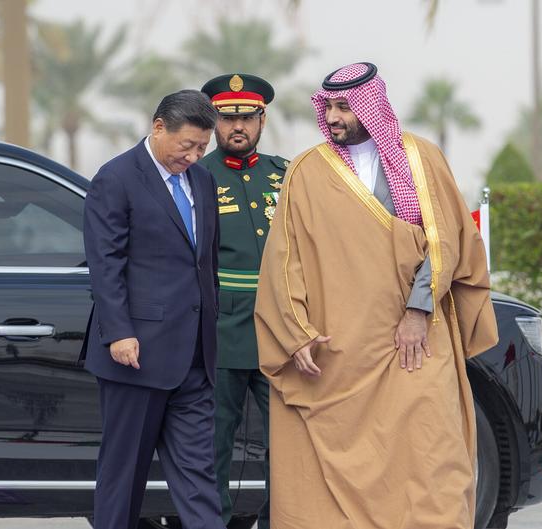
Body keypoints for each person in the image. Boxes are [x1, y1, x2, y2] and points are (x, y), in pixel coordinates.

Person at [254, 62, 498, 529]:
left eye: (345, 106)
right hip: (339, 351)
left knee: (433, 453)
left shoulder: (421, 160)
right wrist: (295, 332)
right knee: (324, 476)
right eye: (328, 107)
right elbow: (286, 258)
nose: (335, 117)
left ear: (372, 106)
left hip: (417, 339)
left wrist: (416, 310)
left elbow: (444, 240)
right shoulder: (307, 170)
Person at [82, 89, 225, 529]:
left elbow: (207, 261)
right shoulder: (117, 177)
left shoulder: (201, 181)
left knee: (200, 472)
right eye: (187, 146)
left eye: (203, 148)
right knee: (124, 476)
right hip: (136, 354)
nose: (195, 156)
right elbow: (106, 264)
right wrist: (119, 331)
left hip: (195, 357)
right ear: (158, 127)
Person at [198, 73, 286, 529]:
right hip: (220, 327)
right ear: (213, 120)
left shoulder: (284, 174)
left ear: (262, 119)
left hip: (279, 327)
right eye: (228, 118)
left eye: (247, 118)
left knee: (287, 442)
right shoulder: (196, 175)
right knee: (214, 442)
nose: (238, 127)